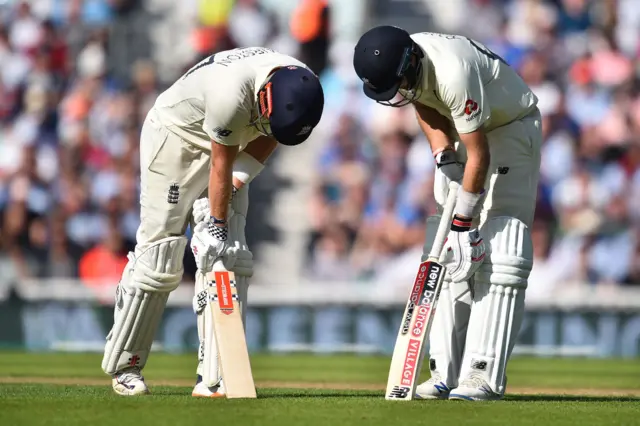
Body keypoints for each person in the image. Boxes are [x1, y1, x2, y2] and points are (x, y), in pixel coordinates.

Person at [101, 46, 324, 397]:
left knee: (229, 254)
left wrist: (232, 196)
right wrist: (214, 226)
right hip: (177, 141)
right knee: (160, 257)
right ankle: (126, 364)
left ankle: (215, 376)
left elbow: (272, 136)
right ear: (265, 95)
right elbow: (219, 163)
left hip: (229, 144)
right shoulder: (231, 92)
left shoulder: (299, 87)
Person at [353, 26, 540, 401]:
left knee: (501, 248)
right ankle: (443, 373)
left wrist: (464, 225)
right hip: (464, 130)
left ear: (411, 63)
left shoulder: (452, 72)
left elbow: (482, 153)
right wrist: (444, 159)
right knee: (450, 256)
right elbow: (421, 102)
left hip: (510, 127)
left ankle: (481, 374)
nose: (398, 93)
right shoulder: (410, 64)